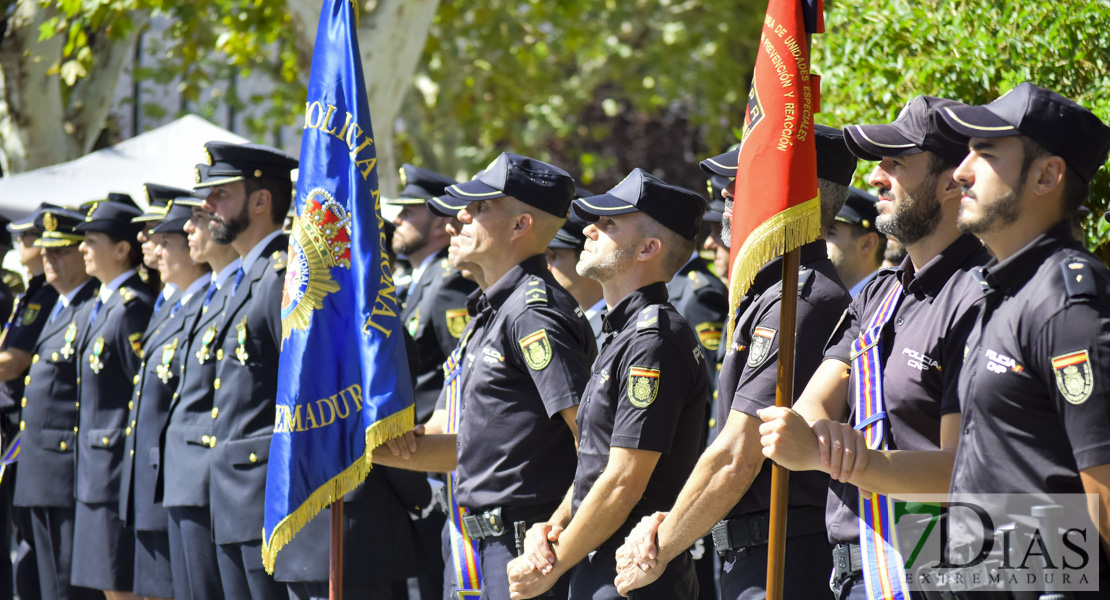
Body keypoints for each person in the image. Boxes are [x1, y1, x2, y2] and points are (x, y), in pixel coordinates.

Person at [752, 96, 987, 600]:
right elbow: (815, 402)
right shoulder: (881, 293)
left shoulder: (978, 293)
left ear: (952, 182)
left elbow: (958, 469)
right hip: (854, 573)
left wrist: (828, 455)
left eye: (896, 163)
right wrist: (817, 438)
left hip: (938, 572)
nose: (877, 177)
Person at [613, 125, 857, 600]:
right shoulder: (771, 293)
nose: (725, 191)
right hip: (752, 550)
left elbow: (738, 456)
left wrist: (659, 547)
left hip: (785, 556)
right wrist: (673, 520)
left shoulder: (798, 300)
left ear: (794, 195)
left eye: (748, 178)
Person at [374, 152, 597, 599]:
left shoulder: (534, 314)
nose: (460, 217)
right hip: (472, 543)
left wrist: (559, 533)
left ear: (520, 227)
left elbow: (591, 441)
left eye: (479, 208)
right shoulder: (490, 312)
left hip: (523, 547)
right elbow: (467, 448)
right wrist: (359, 448)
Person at [936, 82, 1110, 597]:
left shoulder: (1065, 302)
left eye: (985, 155)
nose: (960, 172)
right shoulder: (1003, 292)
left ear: (1047, 175)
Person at [507, 169, 708, 599]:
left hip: (633, 577)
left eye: (609, 224)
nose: (589, 229)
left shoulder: (653, 340)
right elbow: (595, 464)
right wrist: (555, 525)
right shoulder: (625, 333)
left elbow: (624, 482)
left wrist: (552, 567)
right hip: (603, 565)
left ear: (649, 249)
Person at [193, 141, 294, 598]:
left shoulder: (281, 276)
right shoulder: (245, 278)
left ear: (260, 201)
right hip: (234, 493)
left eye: (221, 194)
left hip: (265, 498)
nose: (206, 205)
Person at [121, 199, 211, 600]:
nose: (154, 248)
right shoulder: (171, 308)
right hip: (156, 479)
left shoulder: (201, 306)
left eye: (165, 241)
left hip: (180, 476)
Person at [159, 174, 241, 600]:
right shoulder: (207, 295)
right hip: (186, 476)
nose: (189, 228)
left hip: (218, 479)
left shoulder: (246, 289)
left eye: (197, 218)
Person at [13, 207, 101, 600]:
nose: (48, 257)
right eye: (45, 249)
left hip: (68, 469)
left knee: (69, 587)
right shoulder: (60, 306)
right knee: (47, 583)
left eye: (60, 250)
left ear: (82, 253)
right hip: (40, 468)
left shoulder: (91, 308)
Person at [69, 198, 154, 599]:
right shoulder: (101, 306)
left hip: (114, 469)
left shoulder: (130, 310)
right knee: (107, 587)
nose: (82, 248)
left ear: (122, 249)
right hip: (93, 470)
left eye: (92, 240)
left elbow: (145, 393)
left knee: (121, 588)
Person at [0, 204, 60, 600]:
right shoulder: (31, 292)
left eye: (28, 237)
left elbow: (12, 362)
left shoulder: (45, 296)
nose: (21, 242)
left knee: (31, 535)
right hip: (14, 424)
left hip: (25, 424)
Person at [544, 211, 605, 343]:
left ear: (586, 256)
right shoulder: (553, 318)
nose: (546, 266)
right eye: (544, 256)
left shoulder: (620, 325)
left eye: (554, 255)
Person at [826, 187, 886, 296]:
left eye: (830, 233)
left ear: (867, 244)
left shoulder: (882, 299)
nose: (818, 241)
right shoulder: (830, 296)